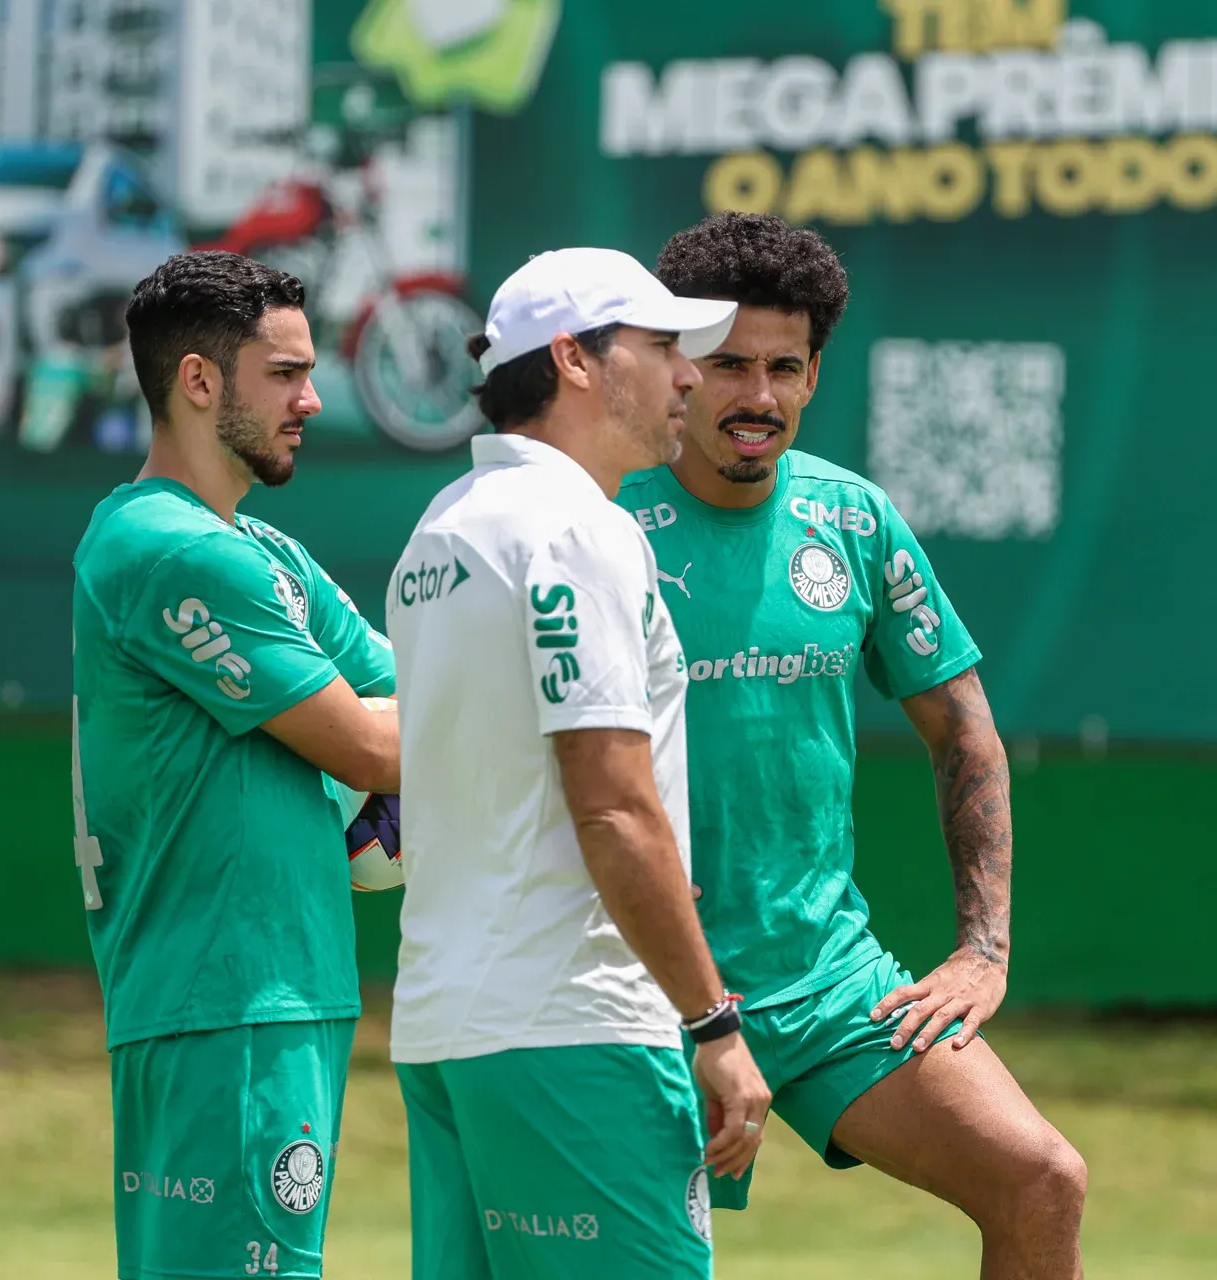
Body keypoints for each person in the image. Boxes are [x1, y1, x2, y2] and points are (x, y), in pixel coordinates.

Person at [616, 213, 1087, 1277]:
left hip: (823, 979)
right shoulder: (597, 519)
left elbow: (964, 728)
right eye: (729, 363)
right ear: (676, 367)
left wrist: (983, 948)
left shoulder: (855, 518)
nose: (759, 396)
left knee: (1042, 1179)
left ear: (817, 373)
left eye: (785, 366)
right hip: (637, 982)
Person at [385, 247, 772, 1280]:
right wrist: (715, 1023)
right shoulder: (576, 529)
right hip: (574, 1027)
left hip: (443, 1035)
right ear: (575, 360)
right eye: (660, 346)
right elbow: (612, 807)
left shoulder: (440, 531)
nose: (691, 373)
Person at [72, 251, 400, 1280]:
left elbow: (406, 687)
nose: (311, 398)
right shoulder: (176, 551)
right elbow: (381, 741)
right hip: (229, 995)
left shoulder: (259, 550)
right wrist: (399, 752)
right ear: (200, 381)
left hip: (264, 992)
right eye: (284, 373)